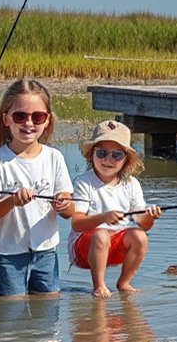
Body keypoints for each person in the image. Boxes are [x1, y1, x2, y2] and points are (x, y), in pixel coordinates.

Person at [0, 79, 74, 298]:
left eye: (37, 117)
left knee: (49, 313)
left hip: (46, 251)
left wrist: (63, 203)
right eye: (20, 116)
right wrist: (12, 201)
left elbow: (70, 212)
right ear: (6, 119)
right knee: (9, 314)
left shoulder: (54, 158)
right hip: (7, 254)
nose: (28, 123)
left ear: (47, 120)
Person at [69, 120, 161, 298]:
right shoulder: (83, 182)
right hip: (85, 249)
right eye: (102, 153)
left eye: (116, 155)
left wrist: (151, 216)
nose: (108, 160)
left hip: (116, 246)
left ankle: (124, 282)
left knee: (140, 236)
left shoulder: (132, 184)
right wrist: (104, 217)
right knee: (101, 234)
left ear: (125, 160)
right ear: (91, 155)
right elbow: (77, 223)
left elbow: (142, 223)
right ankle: (99, 285)